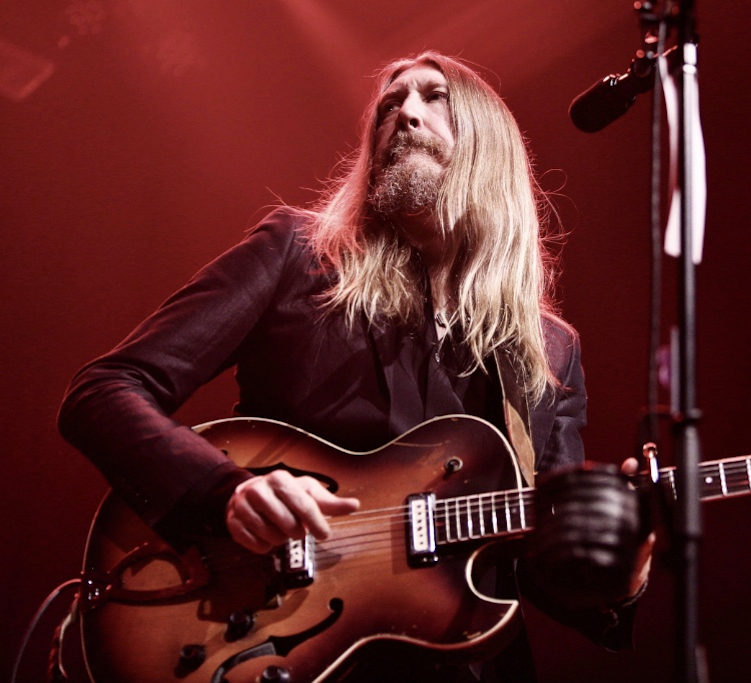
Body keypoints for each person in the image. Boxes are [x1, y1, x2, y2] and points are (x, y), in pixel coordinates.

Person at [58, 51, 651, 682]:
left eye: (433, 97)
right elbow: (102, 391)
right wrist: (226, 492)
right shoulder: (299, 257)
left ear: (491, 145)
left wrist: (624, 562)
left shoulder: (547, 350)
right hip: (274, 644)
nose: (405, 114)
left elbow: (544, 566)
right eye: (389, 106)